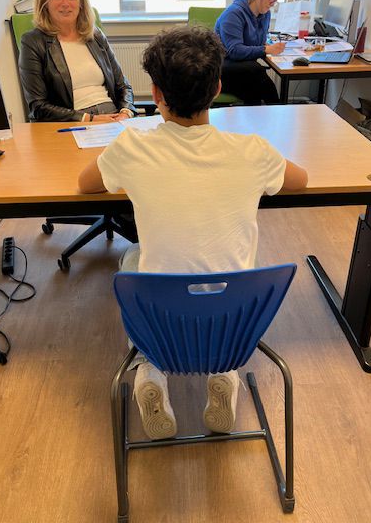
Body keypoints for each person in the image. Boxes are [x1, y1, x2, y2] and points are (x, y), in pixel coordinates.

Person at [78, 27, 308, 440]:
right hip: (233, 324)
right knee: (239, 265)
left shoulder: (132, 148)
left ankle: (150, 372)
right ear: (217, 88)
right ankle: (224, 373)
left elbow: (84, 184)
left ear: (156, 93)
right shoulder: (253, 151)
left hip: (162, 325)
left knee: (132, 258)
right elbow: (301, 180)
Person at [19, 0, 136, 123]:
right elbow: (38, 106)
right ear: (45, 1)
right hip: (74, 122)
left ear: (81, 1)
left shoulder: (95, 36)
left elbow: (123, 86)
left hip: (113, 117)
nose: (65, 3)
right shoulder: (32, 42)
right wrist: (89, 119)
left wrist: (125, 112)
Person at [214, 0, 286, 105]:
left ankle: (271, 111)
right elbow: (235, 51)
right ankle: (277, 110)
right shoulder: (233, 13)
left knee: (254, 83)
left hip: (245, 69)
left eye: (276, 0)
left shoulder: (265, 14)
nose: (272, 4)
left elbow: (259, 42)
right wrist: (266, 49)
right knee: (256, 72)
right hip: (221, 69)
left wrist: (268, 46)